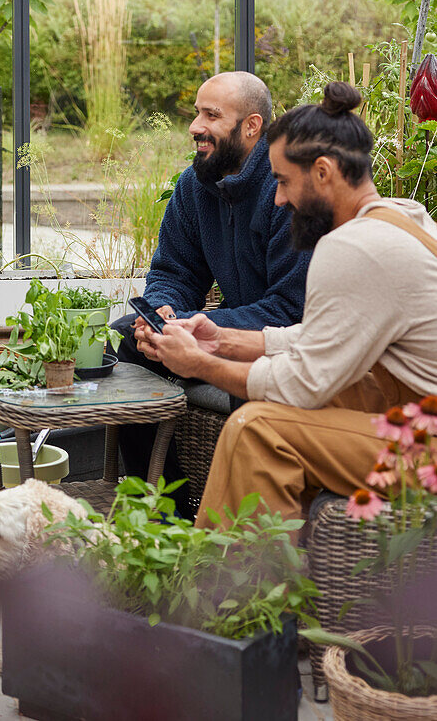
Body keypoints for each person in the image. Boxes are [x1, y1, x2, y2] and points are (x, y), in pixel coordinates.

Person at [137, 82, 437, 527]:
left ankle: (215, 583)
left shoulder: (352, 247)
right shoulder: (401, 216)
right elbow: (318, 337)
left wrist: (199, 363)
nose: (278, 199)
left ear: (322, 172)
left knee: (256, 430)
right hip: (412, 422)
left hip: (423, 449)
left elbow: (302, 383)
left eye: (282, 181)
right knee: (285, 410)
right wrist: (222, 340)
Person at [112, 71, 311, 496]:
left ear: (251, 126)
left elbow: (289, 309)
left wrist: (190, 326)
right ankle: (162, 513)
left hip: (282, 341)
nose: (195, 126)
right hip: (220, 329)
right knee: (129, 337)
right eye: (196, 113)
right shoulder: (194, 186)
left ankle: (242, 527)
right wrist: (163, 312)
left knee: (253, 378)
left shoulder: (287, 192)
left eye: (211, 115)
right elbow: (174, 272)